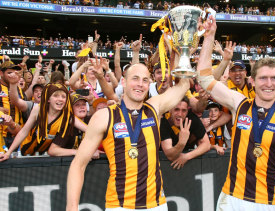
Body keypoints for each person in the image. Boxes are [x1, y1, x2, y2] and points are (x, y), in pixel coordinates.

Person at [196, 16, 275, 210]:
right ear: (252, 81)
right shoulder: (239, 103)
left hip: (271, 202)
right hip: (233, 199)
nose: (268, 84)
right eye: (262, 78)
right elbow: (203, 78)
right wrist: (209, 37)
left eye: (273, 78)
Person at [66, 59, 190, 210]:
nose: (140, 84)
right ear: (123, 82)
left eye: (145, 80)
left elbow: (184, 85)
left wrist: (179, 53)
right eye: (135, 79)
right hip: (120, 206)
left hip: (156, 205)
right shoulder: (104, 116)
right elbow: (78, 165)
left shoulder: (154, 108)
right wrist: (71, 208)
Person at [0, 83, 88, 160]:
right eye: (56, 95)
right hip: (25, 153)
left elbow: (88, 129)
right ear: (48, 99)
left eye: (63, 96)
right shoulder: (38, 109)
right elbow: (24, 132)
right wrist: (8, 153)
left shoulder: (67, 116)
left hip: (44, 156)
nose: (60, 99)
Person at [160, 97, 210, 169]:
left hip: (189, 166)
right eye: (176, 109)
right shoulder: (163, 121)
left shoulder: (192, 119)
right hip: (164, 166)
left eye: (184, 110)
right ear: (170, 110)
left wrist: (187, 156)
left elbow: (206, 144)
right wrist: (182, 142)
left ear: (187, 111)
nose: (180, 114)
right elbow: (170, 155)